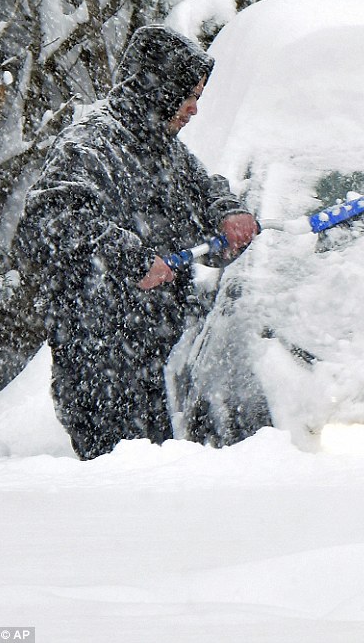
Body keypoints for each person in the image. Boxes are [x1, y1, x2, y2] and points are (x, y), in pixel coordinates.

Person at [13, 25, 258, 460]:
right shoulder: (89, 146)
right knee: (124, 489)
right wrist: (129, 258)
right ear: (159, 89)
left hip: (158, 358)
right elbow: (48, 222)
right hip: (102, 363)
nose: (195, 109)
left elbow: (205, 193)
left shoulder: (163, 150)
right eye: (189, 95)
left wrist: (228, 213)